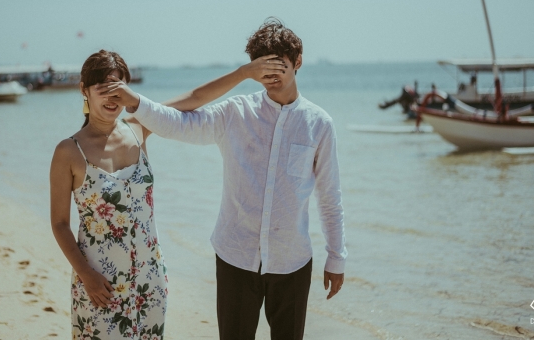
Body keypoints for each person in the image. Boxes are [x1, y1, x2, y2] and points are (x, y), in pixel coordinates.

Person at [101, 18, 347, 340]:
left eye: (279, 67)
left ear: (298, 62)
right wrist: (136, 103)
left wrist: (337, 257)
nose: (271, 77)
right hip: (235, 257)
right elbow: (176, 123)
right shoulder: (234, 113)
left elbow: (330, 196)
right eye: (263, 68)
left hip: (292, 262)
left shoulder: (319, 124)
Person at [49, 49, 286, 339]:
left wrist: (244, 73)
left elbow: (194, 99)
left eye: (119, 90)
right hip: (99, 281)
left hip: (149, 277)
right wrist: (86, 275)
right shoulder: (68, 151)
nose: (112, 99)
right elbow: (60, 223)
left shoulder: (139, 128)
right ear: (84, 90)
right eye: (102, 89)